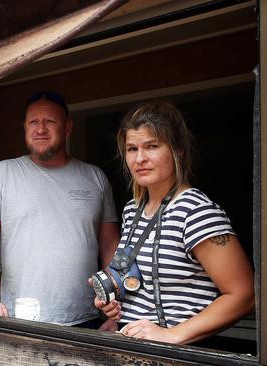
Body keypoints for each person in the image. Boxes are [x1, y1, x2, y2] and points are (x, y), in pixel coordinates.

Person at [95, 101, 254, 344]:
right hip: (132, 348)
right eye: (132, 148)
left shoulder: (194, 211)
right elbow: (143, 280)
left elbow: (244, 295)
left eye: (152, 146)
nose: (140, 158)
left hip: (177, 352)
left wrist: (171, 335)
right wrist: (114, 300)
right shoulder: (132, 210)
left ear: (178, 149)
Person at [0, 91, 120, 327]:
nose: (40, 129)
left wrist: (114, 304)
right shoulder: (4, 173)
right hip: (22, 317)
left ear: (67, 128)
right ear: (24, 127)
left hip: (87, 318)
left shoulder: (94, 177)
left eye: (49, 122)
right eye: (33, 122)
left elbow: (109, 245)